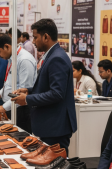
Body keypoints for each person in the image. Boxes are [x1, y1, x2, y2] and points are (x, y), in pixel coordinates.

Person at [12, 19, 77, 156]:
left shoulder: (56, 58)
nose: (33, 42)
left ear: (46, 37)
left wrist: (28, 99)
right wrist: (28, 90)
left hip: (55, 126)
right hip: (51, 124)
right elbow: (49, 86)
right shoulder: (51, 55)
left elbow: (57, 93)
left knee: (55, 166)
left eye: (35, 37)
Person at [0, 33, 37, 133]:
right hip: (12, 107)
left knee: (21, 141)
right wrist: (0, 94)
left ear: (7, 46)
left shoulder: (24, 60)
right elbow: (10, 83)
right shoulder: (12, 58)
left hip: (22, 110)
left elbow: (23, 93)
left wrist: (3, 107)